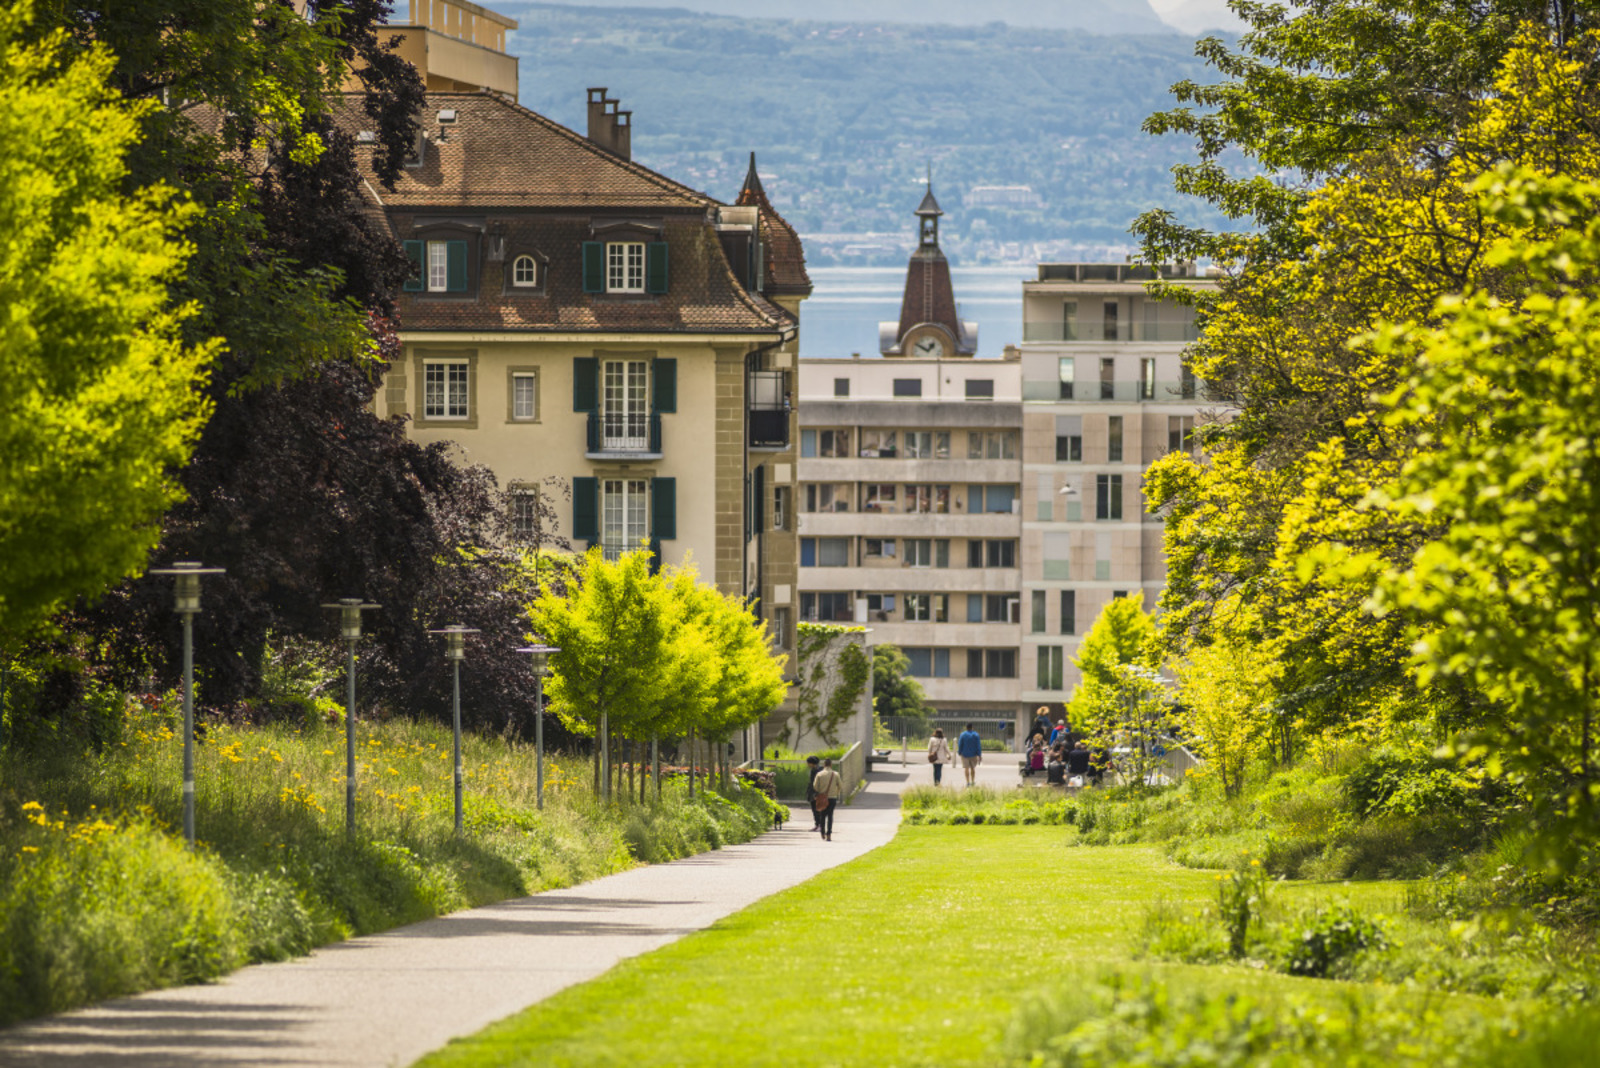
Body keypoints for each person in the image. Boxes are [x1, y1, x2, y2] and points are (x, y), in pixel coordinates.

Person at [812, 758, 843, 840]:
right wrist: (836, 793)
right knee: (830, 815)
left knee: (822, 815)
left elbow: (815, 786)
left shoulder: (819, 774)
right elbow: (840, 785)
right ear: (831, 765)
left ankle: (822, 833)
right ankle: (829, 834)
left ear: (824, 765)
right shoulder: (835, 774)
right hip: (832, 798)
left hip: (822, 798)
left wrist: (820, 792)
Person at [803, 755, 822, 832]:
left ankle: (819, 825)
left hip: (816, 793)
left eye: (808, 763)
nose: (808, 765)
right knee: (815, 810)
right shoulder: (815, 769)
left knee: (817, 810)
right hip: (813, 792)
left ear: (812, 763)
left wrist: (815, 794)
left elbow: (816, 783)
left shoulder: (817, 771)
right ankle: (817, 824)